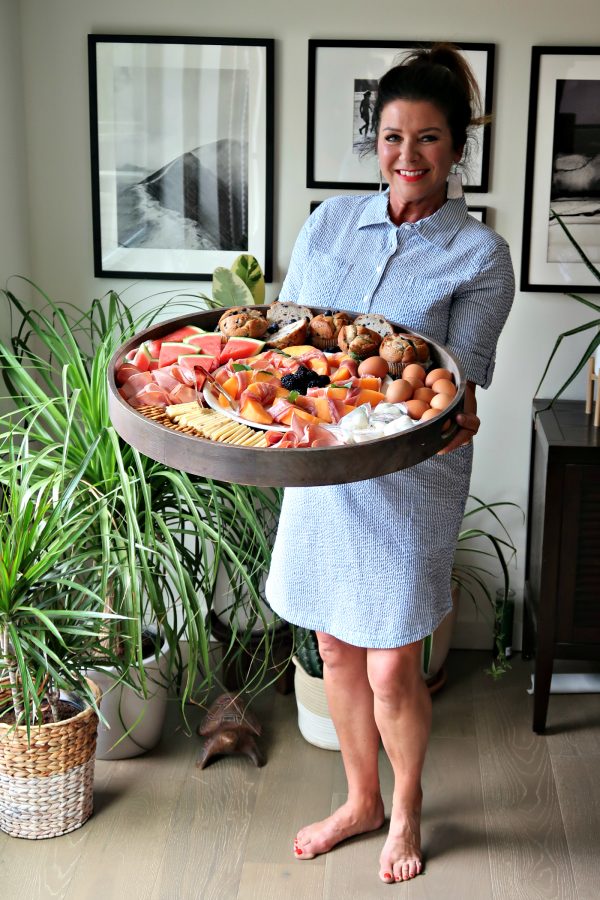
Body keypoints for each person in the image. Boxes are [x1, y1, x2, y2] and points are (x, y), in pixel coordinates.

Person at [265, 43, 515, 884]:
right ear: (375, 140)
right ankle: (359, 798)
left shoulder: (479, 255)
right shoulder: (329, 223)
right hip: (322, 462)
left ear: (457, 148)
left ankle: (405, 809)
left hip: (410, 475)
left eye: (430, 139)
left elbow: (459, 382)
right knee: (334, 647)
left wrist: (453, 406)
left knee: (393, 660)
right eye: (392, 137)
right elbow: (284, 337)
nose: (408, 156)